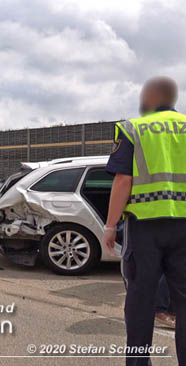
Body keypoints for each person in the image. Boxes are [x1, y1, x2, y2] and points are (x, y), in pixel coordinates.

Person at [104, 76, 186, 366]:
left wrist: (110, 225)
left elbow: (123, 179)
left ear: (151, 98)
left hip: (145, 227)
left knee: (140, 305)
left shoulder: (133, 129)